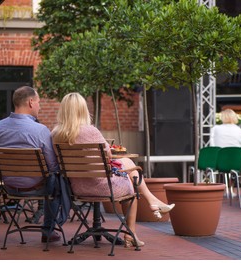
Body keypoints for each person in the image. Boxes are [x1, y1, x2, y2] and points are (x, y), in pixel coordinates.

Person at [51, 92, 175, 248]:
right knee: (132, 181)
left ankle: (152, 202)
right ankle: (133, 232)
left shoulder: (55, 135)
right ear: (83, 110)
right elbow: (108, 155)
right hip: (102, 187)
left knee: (129, 167)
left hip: (76, 188)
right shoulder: (91, 131)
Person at [0, 86, 62, 243]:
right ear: (30, 102)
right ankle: (48, 229)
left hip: (8, 186)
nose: (40, 106)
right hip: (36, 187)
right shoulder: (41, 130)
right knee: (58, 178)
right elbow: (52, 166)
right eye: (38, 102)